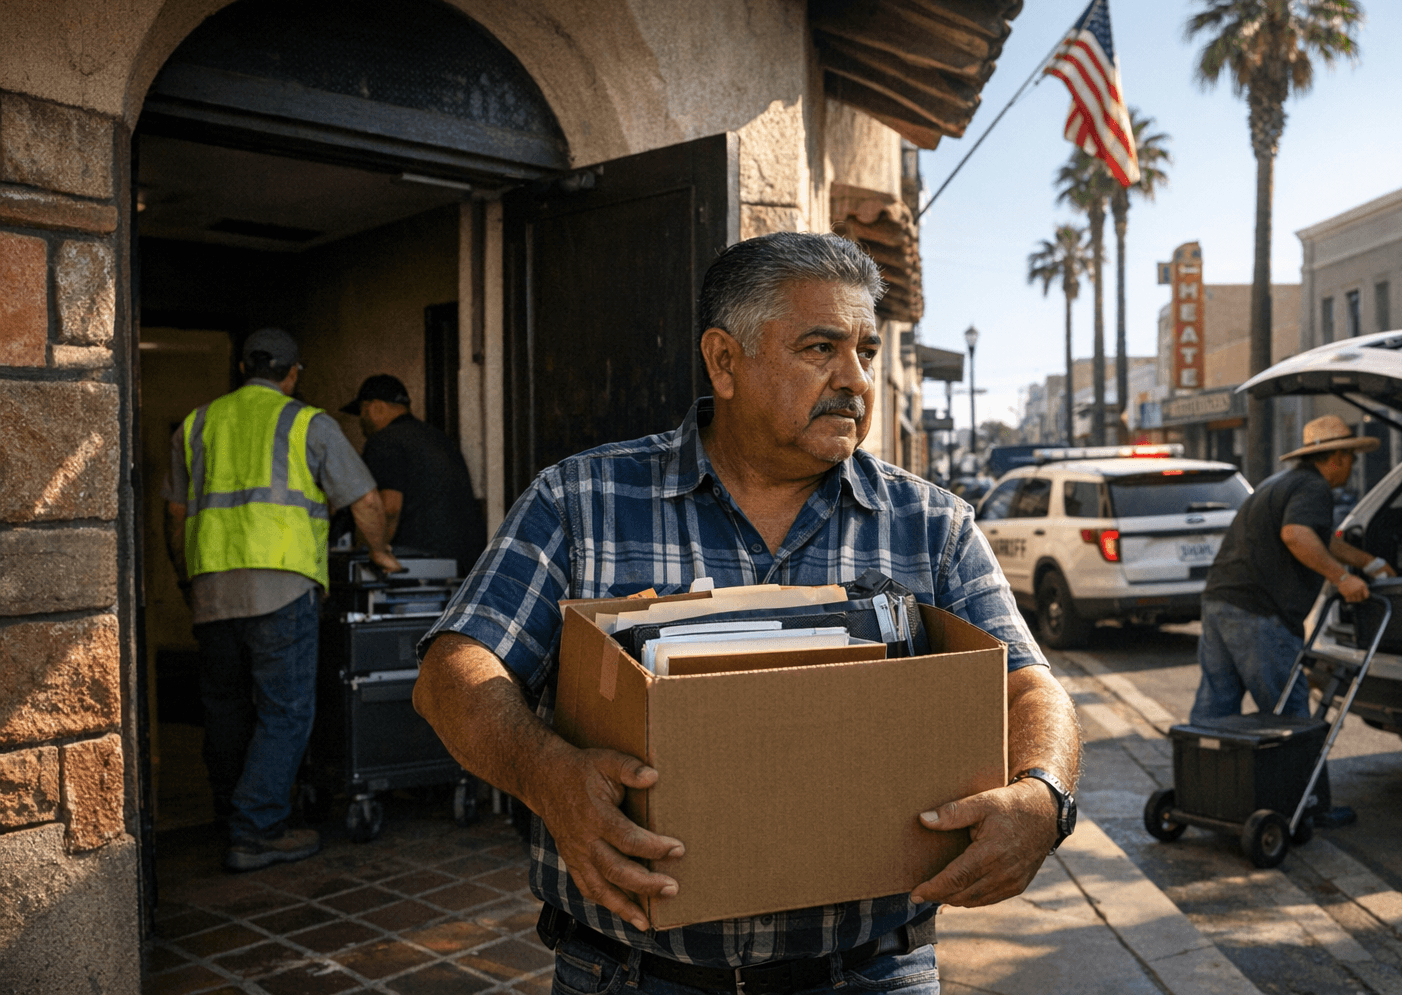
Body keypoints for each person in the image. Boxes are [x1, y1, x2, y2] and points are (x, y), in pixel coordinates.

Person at [412, 233, 1081, 995]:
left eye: (865, 349)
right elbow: (452, 672)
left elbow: (1031, 688)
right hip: (633, 974)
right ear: (724, 362)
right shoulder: (583, 502)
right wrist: (547, 776)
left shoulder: (932, 525)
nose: (855, 379)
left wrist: (1042, 797)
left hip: (871, 973)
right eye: (820, 347)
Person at [164, 327, 402, 871]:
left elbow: (174, 517)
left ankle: (230, 817)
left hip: (211, 589)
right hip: (283, 586)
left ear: (243, 368)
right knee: (285, 711)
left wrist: (186, 579)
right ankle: (258, 829)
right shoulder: (306, 422)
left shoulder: (195, 425)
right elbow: (365, 499)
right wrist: (381, 553)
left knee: (223, 710)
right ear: (293, 374)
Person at [1192, 413, 1395, 826]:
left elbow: (1324, 540)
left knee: (1215, 711)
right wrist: (1342, 579)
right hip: (1260, 614)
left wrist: (1368, 564)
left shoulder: (1279, 482)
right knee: (1291, 715)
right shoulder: (1313, 487)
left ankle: (1202, 797)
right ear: (1333, 458)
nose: (1351, 466)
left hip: (1221, 602)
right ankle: (1306, 808)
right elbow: (1297, 536)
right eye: (1348, 458)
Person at [340, 373, 485, 575]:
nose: (361, 424)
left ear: (375, 407)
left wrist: (375, 552)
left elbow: (388, 508)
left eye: (362, 413)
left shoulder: (384, 441)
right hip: (463, 564)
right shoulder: (438, 438)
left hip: (418, 564)